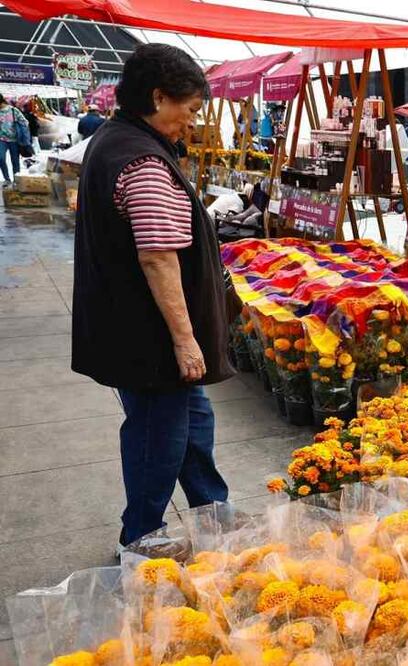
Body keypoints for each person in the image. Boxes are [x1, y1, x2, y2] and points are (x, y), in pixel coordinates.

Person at [73, 43, 234, 551]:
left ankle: (212, 509)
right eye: (189, 111)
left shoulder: (116, 138)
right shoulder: (140, 160)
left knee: (194, 418)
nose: (192, 123)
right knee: (154, 436)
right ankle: (140, 536)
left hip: (133, 324)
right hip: (149, 334)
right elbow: (159, 257)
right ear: (159, 98)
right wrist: (186, 341)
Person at [0, 95, 29, 184]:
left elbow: (25, 122)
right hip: (2, 139)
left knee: (15, 161)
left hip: (15, 140)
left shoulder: (13, 110)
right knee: (0, 158)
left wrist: (21, 131)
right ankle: (7, 179)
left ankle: (16, 181)